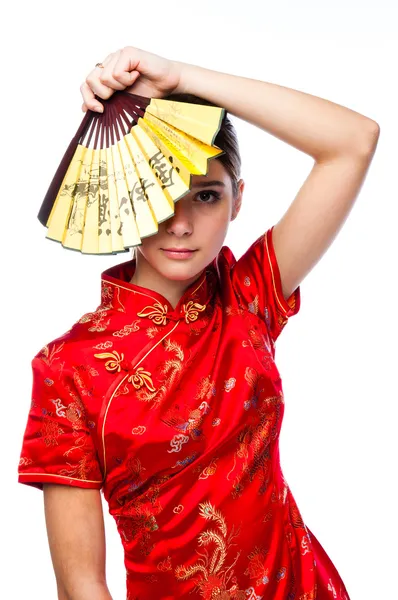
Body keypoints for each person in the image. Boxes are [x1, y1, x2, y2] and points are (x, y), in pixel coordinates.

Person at [17, 46, 379, 600]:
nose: (181, 224)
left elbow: (353, 141)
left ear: (237, 201)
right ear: (125, 199)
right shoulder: (68, 367)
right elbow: (81, 586)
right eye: (158, 194)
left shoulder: (248, 297)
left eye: (206, 195)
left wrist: (184, 77)